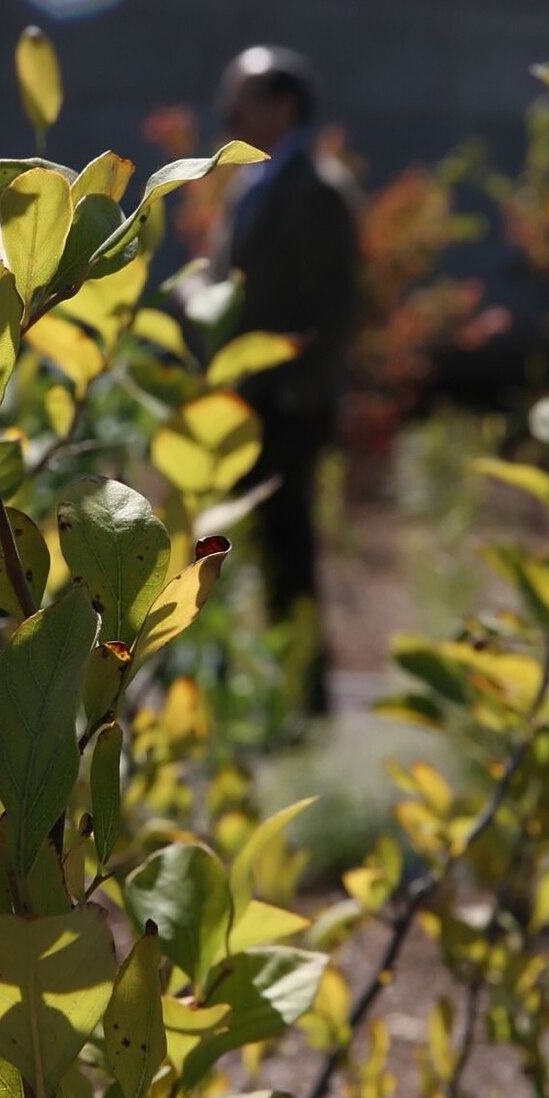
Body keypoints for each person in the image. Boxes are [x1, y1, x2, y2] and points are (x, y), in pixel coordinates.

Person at [212, 45, 359, 715]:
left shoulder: (317, 189)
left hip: (287, 408)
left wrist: (298, 394)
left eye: (244, 97)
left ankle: (305, 702)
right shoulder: (253, 180)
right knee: (251, 549)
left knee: (288, 550)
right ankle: (271, 695)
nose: (230, 109)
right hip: (245, 401)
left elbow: (337, 307)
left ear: (285, 105)